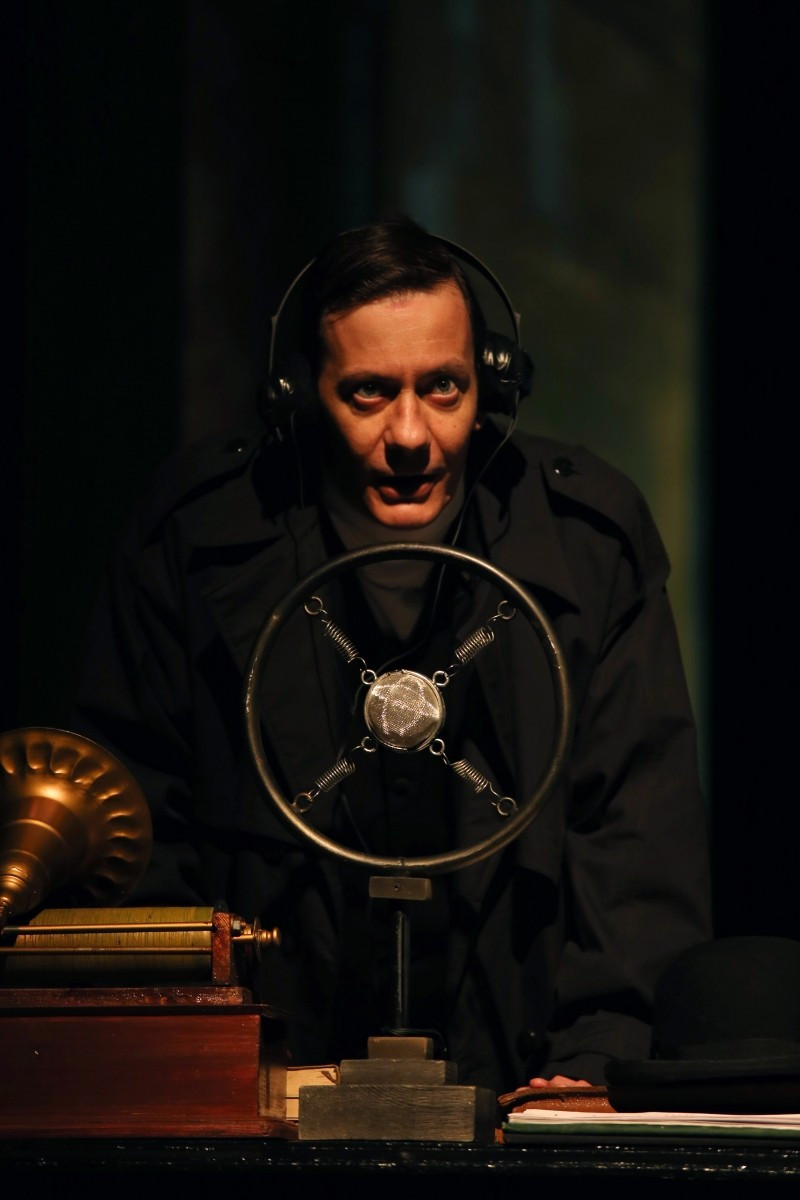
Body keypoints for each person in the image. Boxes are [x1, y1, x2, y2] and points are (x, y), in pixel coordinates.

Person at [71, 217, 711, 1094]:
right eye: (369, 393)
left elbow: (638, 840)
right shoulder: (194, 540)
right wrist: (205, 1070)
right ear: (300, 396)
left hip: (527, 1084)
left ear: (492, 384)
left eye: (443, 388)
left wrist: (596, 1068)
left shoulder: (590, 543)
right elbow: (135, 828)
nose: (410, 436)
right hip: (265, 1087)